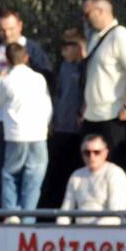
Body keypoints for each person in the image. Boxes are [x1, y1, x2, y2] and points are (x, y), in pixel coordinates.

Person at [0, 8, 53, 206]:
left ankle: (20, 215)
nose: (7, 34)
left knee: (19, 173)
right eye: (2, 30)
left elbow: (47, 80)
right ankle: (8, 214)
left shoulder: (33, 50)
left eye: (11, 28)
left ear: (20, 25)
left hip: (27, 125)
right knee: (0, 171)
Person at [0, 43, 51, 221]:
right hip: (38, 134)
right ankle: (28, 218)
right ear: (26, 57)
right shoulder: (39, 78)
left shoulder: (7, 80)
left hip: (16, 134)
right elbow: (47, 105)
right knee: (34, 177)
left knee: (10, 175)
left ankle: (11, 215)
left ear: (8, 60)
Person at [81, 0, 126, 168]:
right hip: (92, 116)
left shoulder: (121, 36)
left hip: (113, 116)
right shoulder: (96, 37)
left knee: (114, 168)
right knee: (91, 169)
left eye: (87, 14)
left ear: (101, 11)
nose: (85, 19)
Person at [43, 28, 87, 209]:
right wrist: (52, 120)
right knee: (56, 172)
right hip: (61, 128)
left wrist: (82, 112)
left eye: (68, 47)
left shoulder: (86, 66)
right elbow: (58, 94)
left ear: (79, 47)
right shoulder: (63, 67)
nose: (63, 52)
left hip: (78, 130)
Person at [56, 133, 126, 225]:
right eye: (87, 152)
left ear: (105, 152)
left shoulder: (115, 173)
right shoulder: (76, 176)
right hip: (80, 234)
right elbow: (65, 212)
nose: (91, 156)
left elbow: (117, 213)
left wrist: (93, 231)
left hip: (110, 233)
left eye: (97, 152)